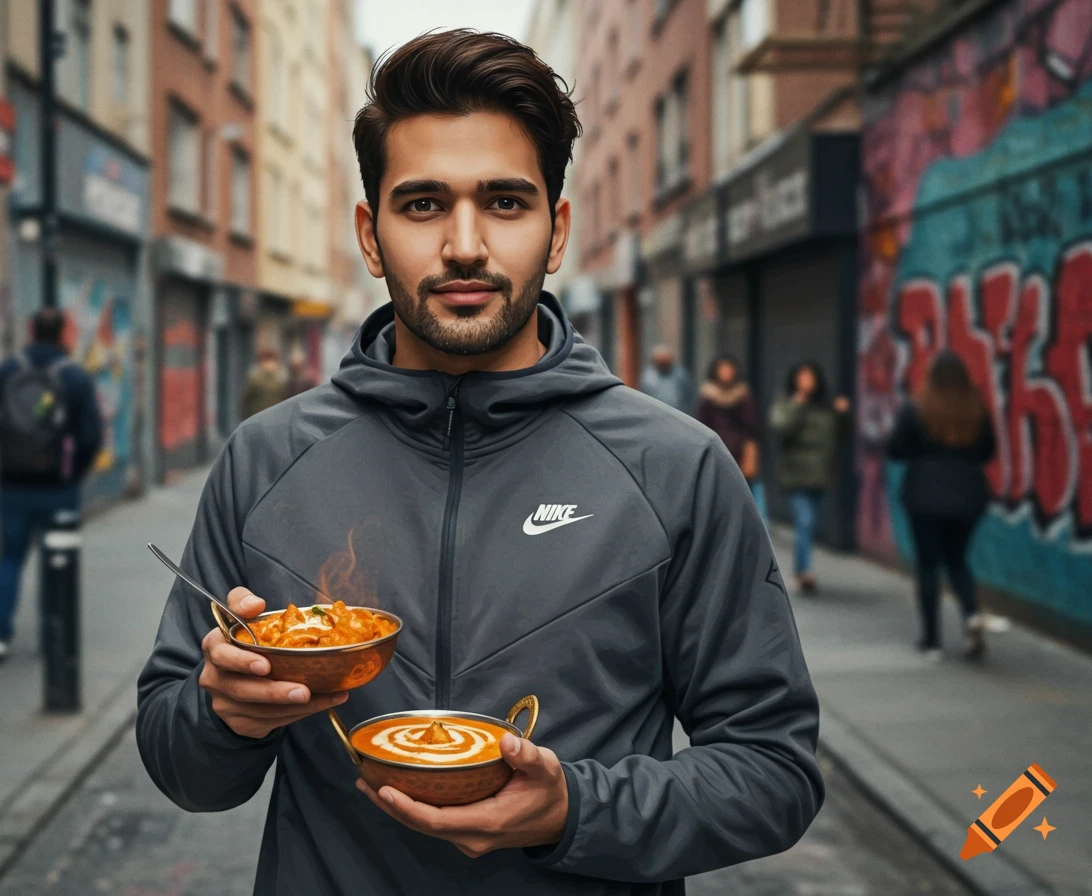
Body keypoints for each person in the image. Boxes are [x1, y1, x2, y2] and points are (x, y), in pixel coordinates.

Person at [136, 30, 821, 896]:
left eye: (504, 202)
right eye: (423, 205)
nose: (465, 245)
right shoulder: (267, 457)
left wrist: (574, 810)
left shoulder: (676, 467)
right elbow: (181, 765)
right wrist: (223, 716)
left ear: (558, 228)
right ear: (371, 235)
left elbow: (774, 771)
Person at [0, 308, 103, 663]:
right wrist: (73, 474)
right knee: (56, 560)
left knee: (9, 558)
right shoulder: (74, 377)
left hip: (12, 485)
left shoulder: (6, 371)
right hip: (58, 487)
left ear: (30, 330)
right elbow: (91, 436)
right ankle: (52, 636)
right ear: (64, 333)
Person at [886, 351, 995, 661]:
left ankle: (932, 641)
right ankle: (971, 614)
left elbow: (895, 449)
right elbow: (988, 451)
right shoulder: (976, 408)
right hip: (969, 496)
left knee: (928, 565)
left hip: (925, 496)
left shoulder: (916, 408)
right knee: (958, 559)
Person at [770, 361, 851, 594]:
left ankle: (801, 569)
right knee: (805, 521)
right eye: (802, 377)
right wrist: (797, 406)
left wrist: (845, 414)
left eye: (810, 377)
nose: (807, 382)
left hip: (821, 474)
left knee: (810, 523)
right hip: (795, 474)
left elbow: (843, 435)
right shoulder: (786, 402)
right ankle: (804, 570)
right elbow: (781, 428)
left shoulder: (826, 407)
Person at [695, 355, 766, 519]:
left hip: (740, 454)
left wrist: (751, 455)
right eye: (723, 370)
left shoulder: (743, 395)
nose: (726, 373)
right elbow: (700, 424)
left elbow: (752, 427)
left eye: (729, 370)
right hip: (715, 452)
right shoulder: (707, 395)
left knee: (743, 499)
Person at [638, 344, 694, 415]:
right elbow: (643, 397)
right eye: (660, 362)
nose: (663, 364)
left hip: (678, 415)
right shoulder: (648, 377)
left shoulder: (680, 374)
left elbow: (689, 396)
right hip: (655, 415)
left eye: (665, 362)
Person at [241, 347, 287, 419]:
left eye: (272, 361)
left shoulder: (281, 379)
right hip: (258, 416)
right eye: (267, 362)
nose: (270, 365)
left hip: (275, 416)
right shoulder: (256, 378)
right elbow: (247, 399)